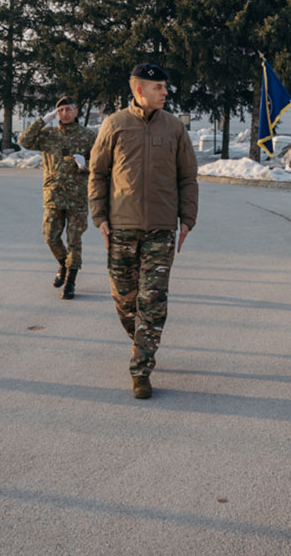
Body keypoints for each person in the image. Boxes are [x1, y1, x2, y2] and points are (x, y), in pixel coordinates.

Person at [89, 64, 198, 400]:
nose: (165, 92)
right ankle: (142, 341)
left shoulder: (175, 127)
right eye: (158, 87)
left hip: (161, 230)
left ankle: (141, 370)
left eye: (165, 87)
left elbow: (187, 177)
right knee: (125, 301)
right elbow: (97, 173)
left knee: (152, 302)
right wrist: (99, 216)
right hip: (121, 227)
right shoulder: (115, 124)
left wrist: (187, 219)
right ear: (139, 89)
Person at [18, 95, 97, 299]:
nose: (65, 113)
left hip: (77, 198)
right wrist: (43, 121)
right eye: (60, 111)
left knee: (74, 240)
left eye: (69, 109)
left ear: (76, 111)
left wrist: (85, 164)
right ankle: (63, 263)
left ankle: (70, 281)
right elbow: (24, 140)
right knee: (50, 235)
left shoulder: (88, 136)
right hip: (53, 195)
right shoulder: (48, 135)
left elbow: (103, 162)